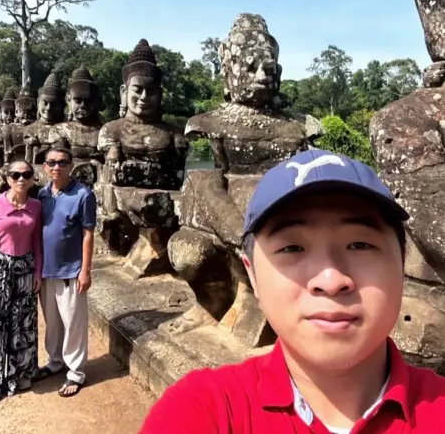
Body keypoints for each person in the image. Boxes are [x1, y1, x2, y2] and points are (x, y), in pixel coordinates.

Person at [140, 149, 445, 433]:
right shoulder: (206, 411)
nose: (330, 279)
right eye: (292, 247)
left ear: (402, 265)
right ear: (253, 275)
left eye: (360, 244)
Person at [0, 159, 42, 401]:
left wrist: (37, 272)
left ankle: (21, 375)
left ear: (33, 178)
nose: (21, 179)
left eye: (26, 174)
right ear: (7, 178)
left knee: (23, 324)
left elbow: (36, 242)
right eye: (15, 175)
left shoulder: (36, 206)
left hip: (25, 269)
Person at [34, 147, 96, 397]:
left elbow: (88, 233)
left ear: (71, 165)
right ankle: (55, 361)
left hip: (71, 270)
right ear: (45, 167)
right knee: (53, 323)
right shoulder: (42, 194)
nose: (56, 167)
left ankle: (76, 371)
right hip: (47, 270)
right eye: (51, 162)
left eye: (62, 162)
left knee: (74, 323)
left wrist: (86, 270)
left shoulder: (83, 194)